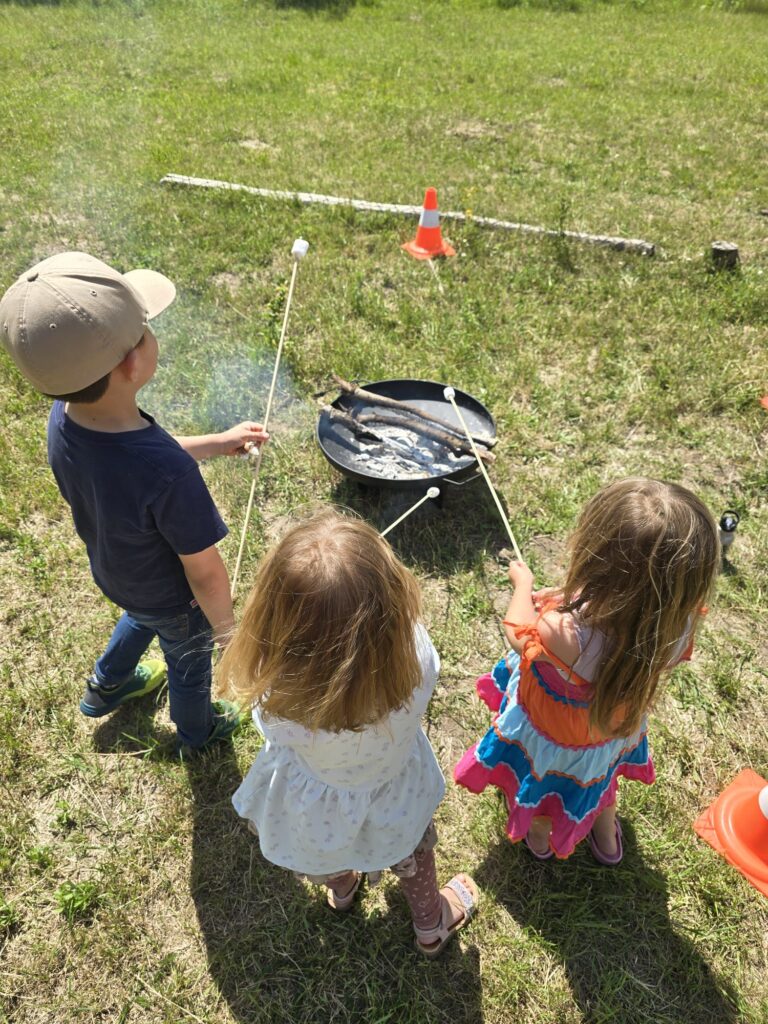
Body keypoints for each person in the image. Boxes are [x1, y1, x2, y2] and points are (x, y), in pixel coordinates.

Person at [0, 251, 268, 750]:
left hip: (118, 573)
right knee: (188, 662)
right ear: (131, 361)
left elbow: (138, 463)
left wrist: (214, 441)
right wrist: (228, 635)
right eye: (145, 327)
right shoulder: (168, 473)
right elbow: (205, 573)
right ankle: (197, 730)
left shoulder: (65, 415)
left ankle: (108, 686)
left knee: (140, 615)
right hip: (176, 598)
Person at [217, 510, 479, 956]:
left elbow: (271, 725)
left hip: (318, 807)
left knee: (328, 852)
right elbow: (412, 637)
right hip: (395, 795)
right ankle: (430, 924)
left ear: (274, 620)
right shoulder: (417, 662)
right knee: (410, 853)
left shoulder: (274, 695)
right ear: (394, 601)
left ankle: (342, 890)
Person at [454, 478, 719, 863]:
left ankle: (542, 839)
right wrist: (566, 599)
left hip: (557, 737)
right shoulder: (677, 626)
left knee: (550, 790)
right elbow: (629, 609)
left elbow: (517, 632)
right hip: (609, 735)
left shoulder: (561, 634)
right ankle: (606, 835)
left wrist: (522, 583)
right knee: (599, 779)